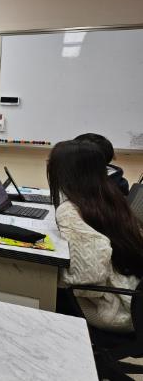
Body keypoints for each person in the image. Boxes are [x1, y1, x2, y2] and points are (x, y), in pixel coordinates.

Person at [48, 140, 143, 332]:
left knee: (34, 284)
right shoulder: (109, 197)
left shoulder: (70, 209)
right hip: (132, 297)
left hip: (113, 310)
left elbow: (89, 277)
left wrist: (52, 273)